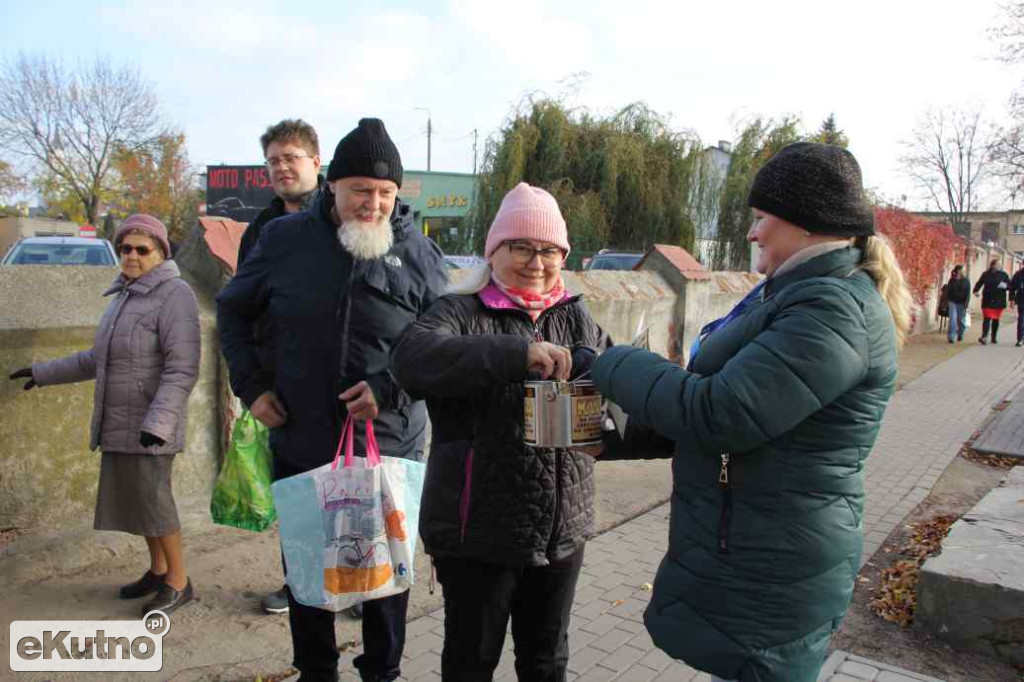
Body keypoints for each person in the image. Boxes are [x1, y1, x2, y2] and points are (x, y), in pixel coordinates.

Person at [591, 142, 912, 682]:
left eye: (762, 218)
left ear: (807, 224)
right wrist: (617, 439)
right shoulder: (796, 295)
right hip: (761, 554)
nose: (751, 232)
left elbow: (720, 413)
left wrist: (607, 362)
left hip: (776, 566)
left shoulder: (830, 308)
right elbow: (741, 418)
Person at [217, 118, 447, 682]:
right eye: (360, 191)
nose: (373, 204)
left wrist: (392, 390)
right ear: (333, 186)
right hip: (302, 437)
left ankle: (383, 672)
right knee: (307, 570)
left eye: (385, 193)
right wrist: (251, 387)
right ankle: (316, 670)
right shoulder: (283, 240)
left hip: (388, 445)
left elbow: (446, 344)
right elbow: (232, 309)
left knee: (385, 578)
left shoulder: (420, 254)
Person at [390, 182, 608, 682]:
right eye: (521, 247)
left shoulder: (573, 314)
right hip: (479, 534)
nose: (537, 262)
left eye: (549, 250)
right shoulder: (459, 310)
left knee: (546, 661)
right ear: (494, 251)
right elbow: (412, 360)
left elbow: (611, 381)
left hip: (560, 530)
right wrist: (516, 355)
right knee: (471, 661)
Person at [9, 214, 201, 616]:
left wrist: (159, 424)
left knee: (156, 503)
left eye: (141, 249)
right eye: (125, 248)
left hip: (152, 424)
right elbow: (98, 359)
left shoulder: (175, 294)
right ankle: (159, 571)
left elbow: (181, 369)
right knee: (138, 502)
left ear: (161, 252)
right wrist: (43, 373)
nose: (131, 256)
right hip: (121, 420)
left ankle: (180, 583)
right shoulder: (125, 296)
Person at [243, 119, 324, 616]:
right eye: (273, 160)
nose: (281, 167)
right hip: (284, 390)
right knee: (295, 497)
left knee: (352, 495)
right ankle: (297, 583)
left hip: (340, 388)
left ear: (316, 163)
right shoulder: (262, 230)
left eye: (291, 157)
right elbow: (241, 309)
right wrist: (252, 384)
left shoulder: (340, 219)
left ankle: (359, 583)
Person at [973, 258, 1010, 345]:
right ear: (993, 265)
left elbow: (1010, 285)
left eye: (1000, 264)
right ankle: (984, 336)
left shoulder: (1003, 275)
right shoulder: (986, 274)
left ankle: (994, 337)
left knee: (995, 319)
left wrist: (1005, 286)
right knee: (987, 318)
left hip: (999, 300)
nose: (999, 266)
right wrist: (976, 291)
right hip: (987, 299)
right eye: (998, 264)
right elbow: (979, 283)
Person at [945, 264, 970, 344]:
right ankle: (951, 337)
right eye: (963, 269)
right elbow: (948, 291)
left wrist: (966, 303)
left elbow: (968, 293)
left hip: (962, 303)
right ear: (958, 271)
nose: (964, 271)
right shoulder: (952, 280)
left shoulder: (966, 280)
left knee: (961, 321)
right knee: (953, 319)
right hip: (952, 301)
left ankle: (960, 333)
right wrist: (947, 300)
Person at [1010, 261, 1024, 347]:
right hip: (1022, 300)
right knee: (1021, 320)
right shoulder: (1018, 275)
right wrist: (1012, 299)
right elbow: (1012, 287)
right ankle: (1020, 339)